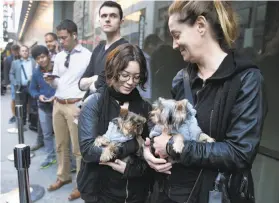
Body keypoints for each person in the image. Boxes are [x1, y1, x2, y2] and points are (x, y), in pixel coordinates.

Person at [143, 1, 267, 203]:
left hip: (216, 194)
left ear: (201, 25)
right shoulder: (181, 78)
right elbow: (162, 126)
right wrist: (149, 150)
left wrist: (176, 147)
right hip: (174, 192)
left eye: (177, 35)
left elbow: (240, 152)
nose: (174, 45)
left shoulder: (246, 79)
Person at [78, 43, 153, 203]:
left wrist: (131, 169)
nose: (130, 82)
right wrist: (132, 145)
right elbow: (88, 151)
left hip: (135, 192)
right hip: (100, 191)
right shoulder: (94, 103)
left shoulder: (144, 106)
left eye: (136, 77)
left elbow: (150, 150)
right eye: (125, 75)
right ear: (114, 71)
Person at [45, 19, 91, 201]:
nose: (61, 42)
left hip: (75, 105)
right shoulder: (59, 56)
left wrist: (84, 104)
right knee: (60, 144)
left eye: (64, 38)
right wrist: (51, 80)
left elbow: (92, 82)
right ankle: (63, 177)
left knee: (78, 149)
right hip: (58, 103)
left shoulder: (87, 56)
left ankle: (80, 184)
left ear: (74, 35)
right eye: (59, 38)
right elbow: (59, 80)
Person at [78, 1, 128, 94]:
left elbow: (105, 86)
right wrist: (94, 78)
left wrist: (92, 82)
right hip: (92, 106)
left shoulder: (125, 49)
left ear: (121, 21)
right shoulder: (98, 48)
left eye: (113, 16)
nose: (107, 19)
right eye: (104, 16)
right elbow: (81, 84)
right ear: (99, 21)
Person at [29, 45, 56, 169]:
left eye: (43, 57)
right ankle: (50, 157)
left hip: (58, 105)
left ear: (48, 55)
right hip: (43, 107)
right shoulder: (36, 73)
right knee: (46, 134)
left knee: (64, 135)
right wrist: (38, 96)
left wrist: (56, 97)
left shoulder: (58, 68)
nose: (41, 60)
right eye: (38, 58)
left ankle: (70, 161)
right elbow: (32, 89)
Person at [9, 45, 36, 130]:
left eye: (26, 51)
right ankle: (22, 124)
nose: (24, 52)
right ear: (20, 53)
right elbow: (11, 74)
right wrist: (15, 83)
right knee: (22, 106)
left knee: (33, 106)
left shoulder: (33, 62)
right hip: (21, 87)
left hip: (32, 87)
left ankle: (33, 123)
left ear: (29, 52)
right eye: (23, 51)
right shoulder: (15, 63)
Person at [4, 44, 20, 124]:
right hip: (13, 82)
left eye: (17, 51)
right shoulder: (8, 59)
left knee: (25, 99)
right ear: (12, 51)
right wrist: (7, 83)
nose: (16, 53)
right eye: (14, 51)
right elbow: (6, 71)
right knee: (13, 99)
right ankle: (14, 115)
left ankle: (26, 115)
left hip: (22, 81)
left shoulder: (22, 57)